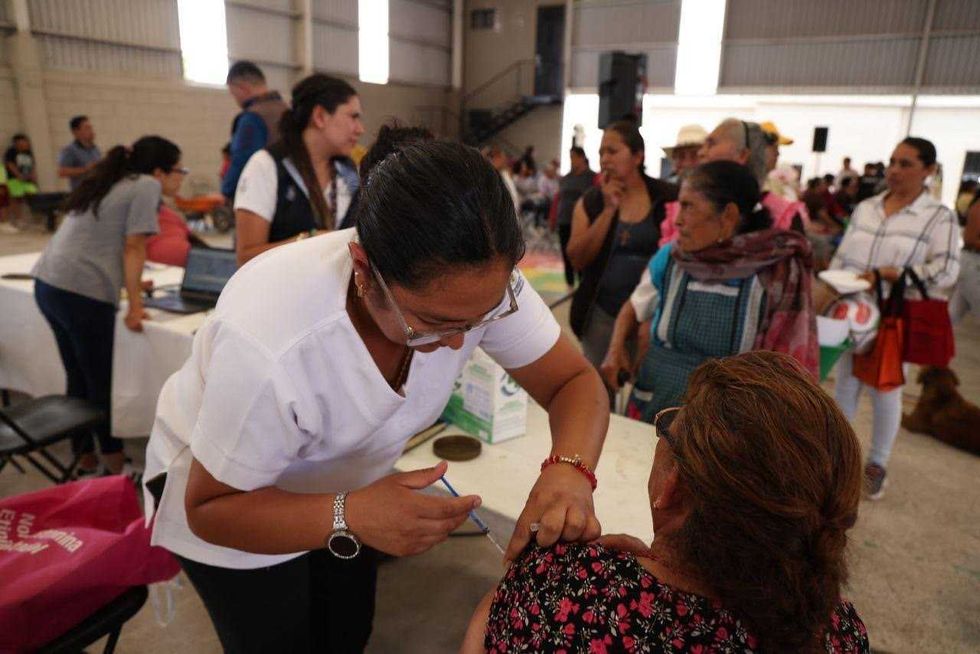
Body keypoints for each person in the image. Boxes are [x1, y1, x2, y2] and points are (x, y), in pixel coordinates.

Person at [143, 139, 610, 653]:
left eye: (482, 319)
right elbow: (212, 509)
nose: (459, 343)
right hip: (232, 497)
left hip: (351, 487)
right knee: (276, 639)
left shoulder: (476, 282)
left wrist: (569, 468)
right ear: (364, 270)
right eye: (434, 323)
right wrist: (351, 515)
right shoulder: (272, 337)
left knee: (346, 628)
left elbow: (575, 383)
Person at [464, 351, 870, 654]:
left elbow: (481, 640)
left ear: (672, 486)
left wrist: (540, 573)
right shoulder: (840, 631)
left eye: (671, 426)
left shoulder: (558, 592)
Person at [601, 160, 817, 422]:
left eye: (689, 207)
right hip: (655, 403)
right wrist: (615, 351)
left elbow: (784, 367)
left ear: (728, 216)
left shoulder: (775, 271)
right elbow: (633, 307)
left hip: (721, 424)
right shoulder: (671, 257)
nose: (678, 220)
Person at [32, 136, 185, 476]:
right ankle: (115, 471)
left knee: (79, 376)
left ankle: (85, 458)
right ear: (160, 171)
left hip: (49, 283)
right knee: (101, 384)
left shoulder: (114, 179)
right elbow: (134, 246)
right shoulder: (146, 186)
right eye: (179, 170)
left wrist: (128, 283)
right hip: (81, 293)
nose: (181, 177)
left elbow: (99, 241)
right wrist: (134, 305)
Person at [830, 137, 960, 500]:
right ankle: (834, 456)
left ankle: (877, 463)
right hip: (852, 307)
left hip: (894, 313)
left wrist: (893, 274)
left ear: (929, 171)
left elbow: (947, 270)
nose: (895, 171)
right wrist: (834, 284)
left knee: (886, 386)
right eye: (892, 162)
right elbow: (843, 256)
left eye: (906, 164)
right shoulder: (867, 207)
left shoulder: (938, 216)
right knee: (845, 383)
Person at [566, 120, 677, 388]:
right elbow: (577, 258)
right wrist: (608, 210)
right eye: (601, 152)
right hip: (601, 314)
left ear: (638, 156)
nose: (605, 159)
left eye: (613, 151)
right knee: (600, 391)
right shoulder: (591, 201)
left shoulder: (667, 197)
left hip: (650, 319)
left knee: (645, 391)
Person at [234, 73, 363, 266]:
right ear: (320, 116)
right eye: (353, 117)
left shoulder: (348, 172)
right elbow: (246, 258)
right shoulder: (266, 166)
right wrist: (308, 240)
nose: (359, 129)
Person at [659, 119, 807, 245]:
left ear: (742, 154)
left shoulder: (782, 215)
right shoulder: (679, 207)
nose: (701, 153)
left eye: (710, 144)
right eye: (680, 156)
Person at [221, 61, 290, 201]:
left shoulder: (252, 118)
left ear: (243, 88)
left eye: (234, 94)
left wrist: (226, 191)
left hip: (263, 198)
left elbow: (244, 159)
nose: (236, 100)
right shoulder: (287, 111)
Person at [556, 147, 594, 287]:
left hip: (583, 222)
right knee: (567, 254)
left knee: (582, 254)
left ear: (582, 157)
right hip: (564, 220)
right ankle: (569, 285)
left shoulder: (591, 177)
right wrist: (554, 218)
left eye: (574, 156)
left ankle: (583, 284)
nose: (572, 160)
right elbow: (558, 199)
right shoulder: (565, 178)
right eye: (570, 157)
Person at [950, 190, 980, 322]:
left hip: (971, 264)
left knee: (953, 313)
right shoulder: (978, 207)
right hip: (973, 264)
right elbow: (970, 239)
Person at [58, 115, 102, 191]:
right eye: (87, 128)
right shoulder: (69, 150)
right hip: (81, 195)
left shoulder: (95, 149)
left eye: (91, 127)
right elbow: (62, 172)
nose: (91, 131)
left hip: (96, 192)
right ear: (76, 132)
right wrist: (85, 169)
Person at [4, 134, 38, 227]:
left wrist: (33, 175)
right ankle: (18, 220)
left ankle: (34, 218)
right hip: (15, 180)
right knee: (16, 199)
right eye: (24, 141)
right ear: (17, 143)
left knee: (32, 197)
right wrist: (18, 175)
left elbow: (32, 165)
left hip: (28, 180)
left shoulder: (28, 152)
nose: (26, 144)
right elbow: (10, 164)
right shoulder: (11, 152)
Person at [487, 146, 520, 213]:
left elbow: (513, 193)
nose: (505, 160)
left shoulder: (505, 173)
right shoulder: (490, 174)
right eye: (502, 157)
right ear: (496, 158)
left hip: (513, 210)